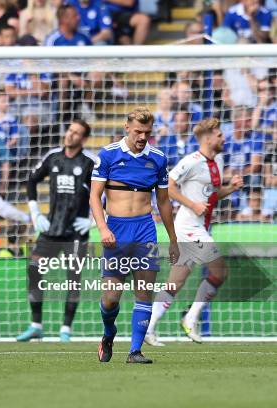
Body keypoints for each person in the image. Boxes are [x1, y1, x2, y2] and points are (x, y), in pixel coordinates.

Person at [90, 107, 179, 364]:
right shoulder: (107, 155)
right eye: (138, 131)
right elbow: (95, 196)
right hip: (116, 230)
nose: (142, 137)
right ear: (127, 127)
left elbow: (163, 202)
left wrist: (173, 239)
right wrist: (103, 228)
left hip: (145, 230)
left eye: (147, 132)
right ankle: (109, 334)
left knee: (144, 291)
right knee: (110, 298)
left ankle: (135, 351)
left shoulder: (158, 159)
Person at [145, 118, 244, 347]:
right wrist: (192, 205)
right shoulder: (191, 161)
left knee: (175, 282)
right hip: (188, 227)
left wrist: (231, 189)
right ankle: (190, 317)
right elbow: (168, 186)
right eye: (219, 135)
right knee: (220, 271)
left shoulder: (218, 160)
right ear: (208, 138)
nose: (223, 138)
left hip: (199, 227)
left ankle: (148, 328)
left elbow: (212, 195)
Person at [17, 120, 96, 343]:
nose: (70, 135)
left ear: (84, 139)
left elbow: (107, 192)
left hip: (76, 233)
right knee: (34, 268)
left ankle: (65, 330)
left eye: (76, 133)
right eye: (70, 130)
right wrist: (35, 212)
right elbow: (31, 180)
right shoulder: (53, 157)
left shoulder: (90, 162)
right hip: (51, 229)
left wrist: (93, 221)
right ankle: (36, 325)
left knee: (73, 279)